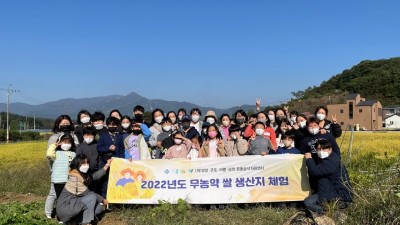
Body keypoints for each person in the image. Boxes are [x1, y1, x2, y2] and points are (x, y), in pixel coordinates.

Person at [56, 154, 111, 225]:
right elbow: (89, 194)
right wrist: (103, 200)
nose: (86, 165)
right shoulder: (74, 178)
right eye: (83, 163)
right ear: (77, 164)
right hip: (65, 208)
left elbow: (95, 176)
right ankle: (86, 222)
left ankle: (75, 221)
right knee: (92, 197)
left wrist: (107, 165)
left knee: (99, 208)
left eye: (87, 162)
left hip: (74, 205)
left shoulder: (83, 175)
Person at [304, 139, 352, 215]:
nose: (321, 151)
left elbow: (315, 172)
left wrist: (309, 159)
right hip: (330, 191)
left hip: (340, 196)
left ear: (330, 149)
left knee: (308, 203)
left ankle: (326, 211)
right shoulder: (328, 158)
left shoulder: (332, 161)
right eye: (319, 149)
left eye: (324, 148)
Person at [45, 114, 79, 219]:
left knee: (68, 194)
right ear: (58, 124)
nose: (65, 125)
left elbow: (76, 150)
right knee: (54, 193)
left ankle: (66, 211)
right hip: (57, 172)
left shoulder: (74, 136)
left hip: (69, 173)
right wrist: (56, 145)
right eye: (62, 123)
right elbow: (50, 154)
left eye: (67, 123)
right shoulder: (54, 137)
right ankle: (48, 212)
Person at [97, 117, 124, 198]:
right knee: (105, 181)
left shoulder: (119, 136)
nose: (112, 126)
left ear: (117, 125)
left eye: (114, 125)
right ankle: (105, 199)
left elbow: (122, 149)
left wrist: (120, 159)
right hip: (105, 162)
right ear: (107, 125)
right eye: (110, 124)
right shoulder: (103, 136)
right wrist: (108, 148)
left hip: (117, 162)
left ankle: (116, 199)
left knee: (116, 181)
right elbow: (99, 148)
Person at [46, 133, 77, 198]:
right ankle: (60, 208)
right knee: (60, 198)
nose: (67, 144)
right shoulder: (56, 153)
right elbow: (49, 154)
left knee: (70, 197)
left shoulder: (73, 153)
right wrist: (55, 145)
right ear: (60, 142)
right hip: (59, 180)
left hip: (70, 180)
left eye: (69, 142)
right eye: (65, 142)